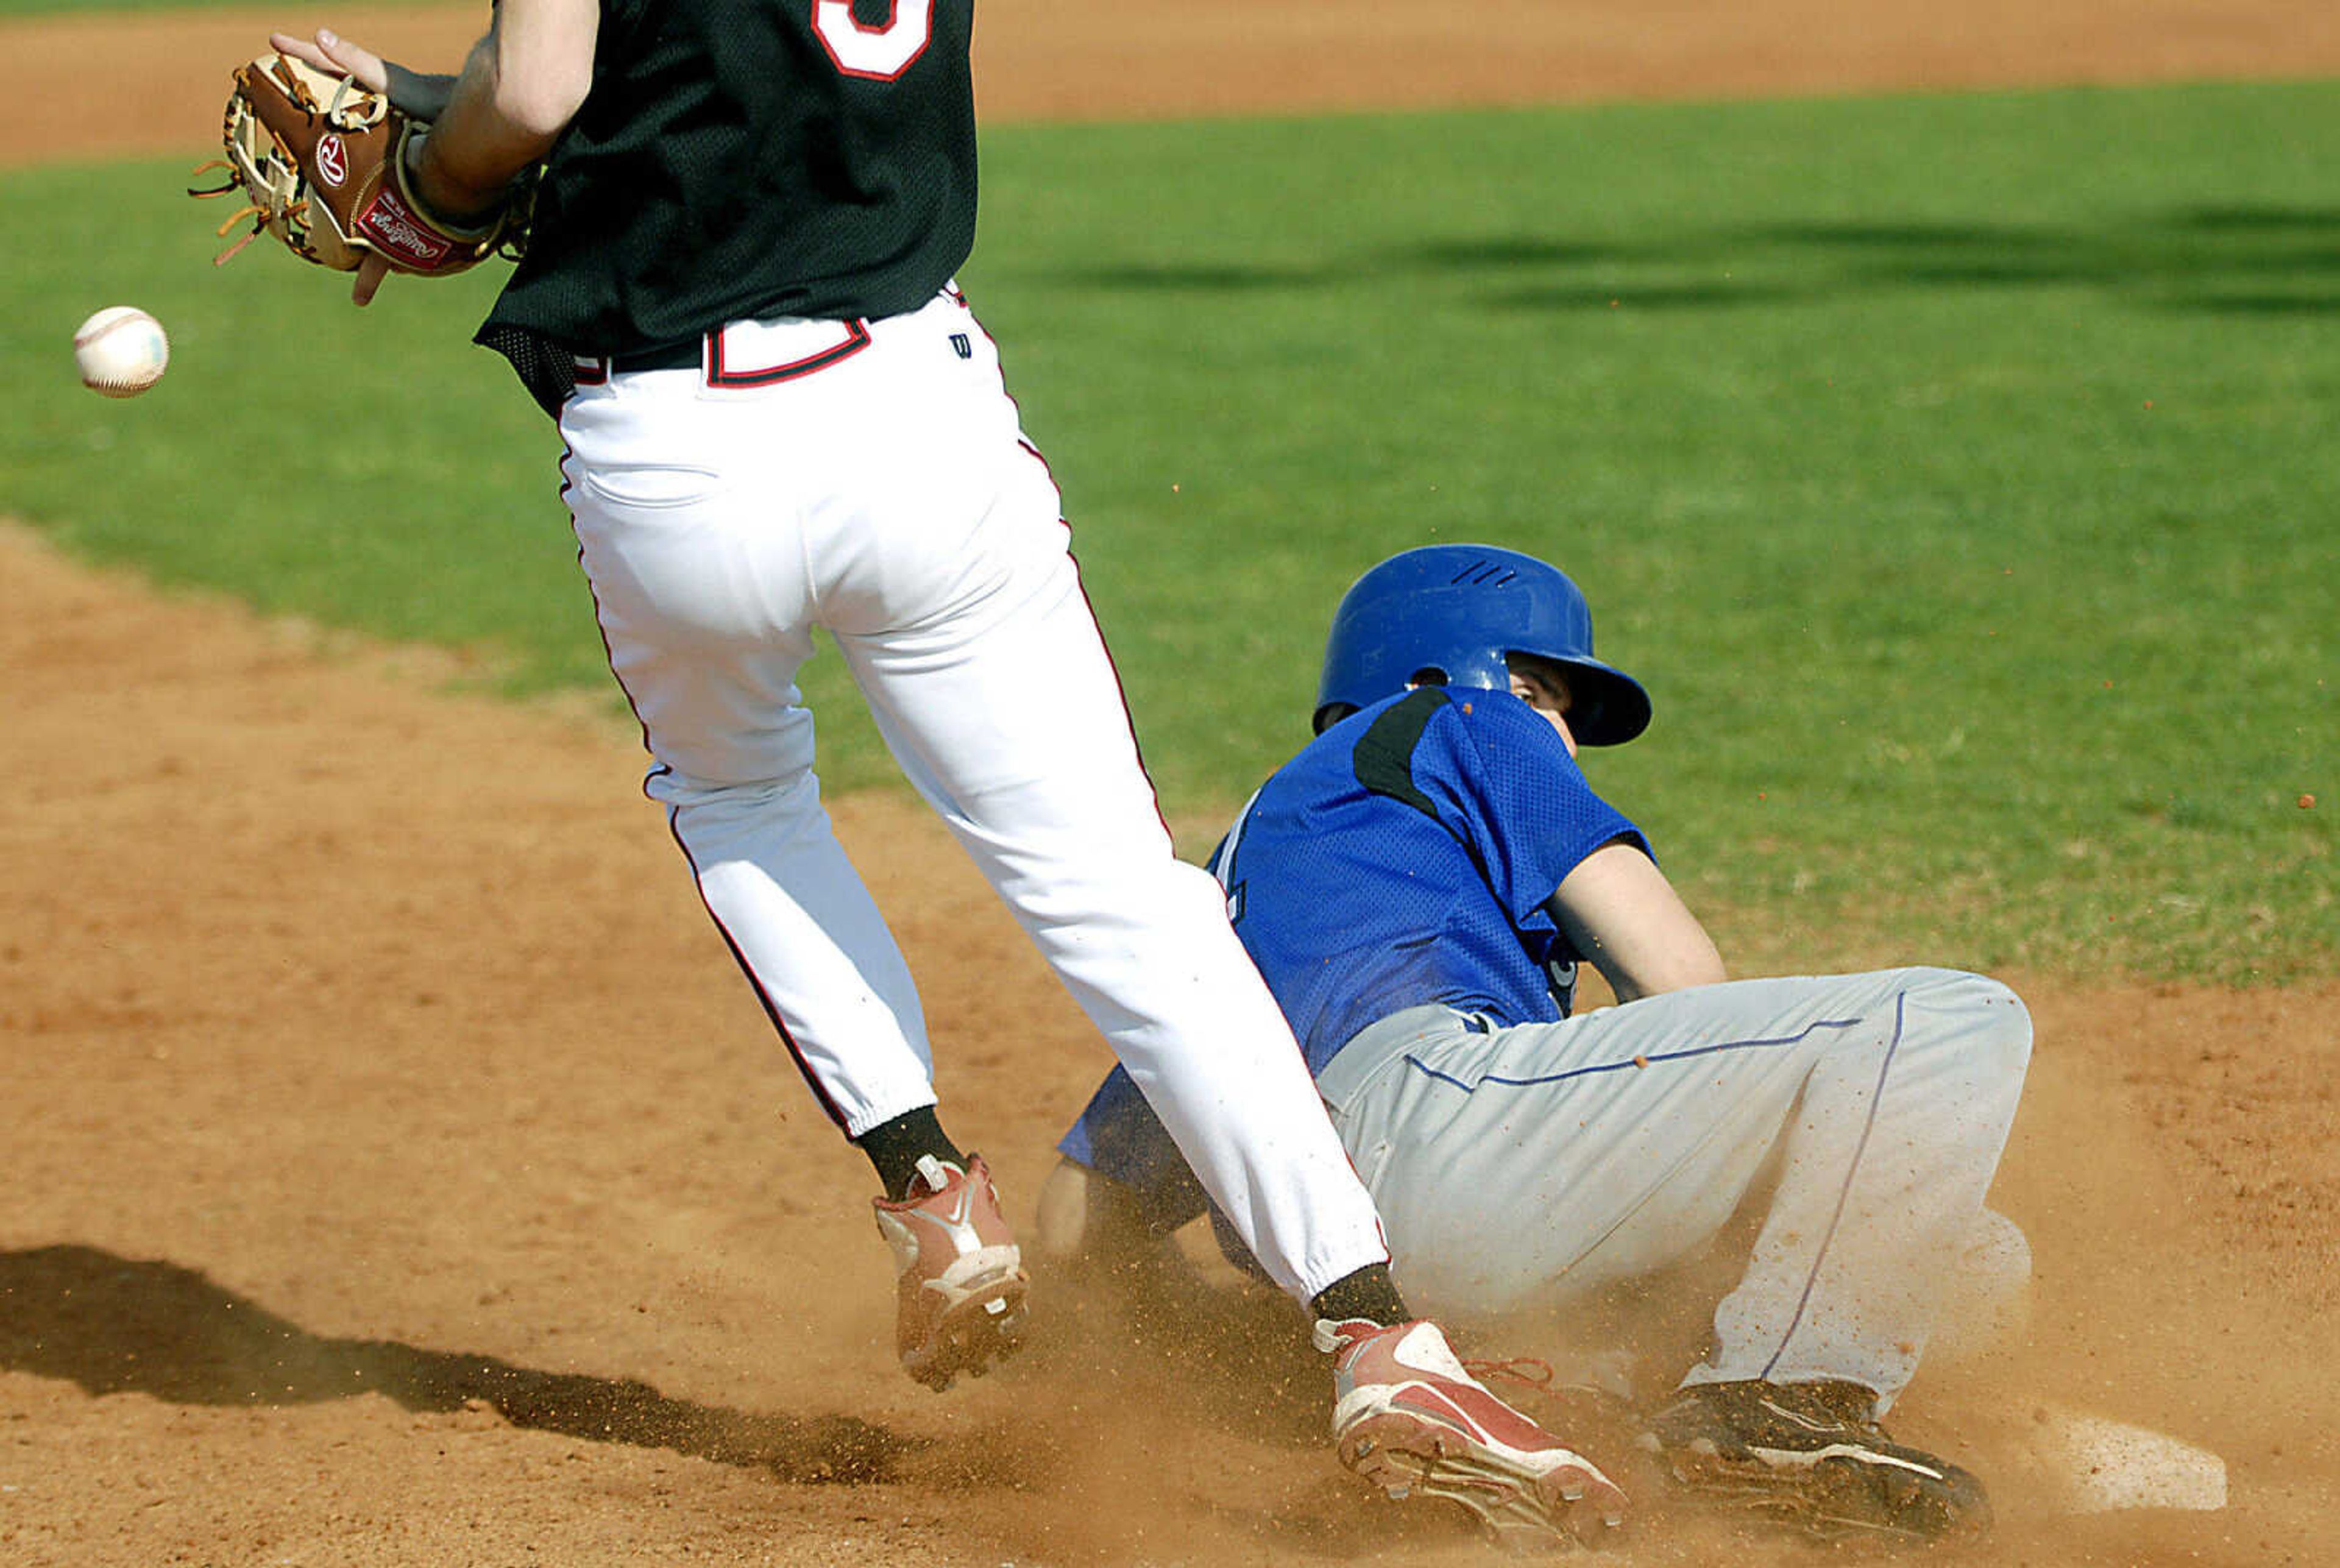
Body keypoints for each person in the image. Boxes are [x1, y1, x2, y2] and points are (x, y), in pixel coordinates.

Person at [256, 7, 1624, 1547]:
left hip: (672, 452)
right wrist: (455, 105)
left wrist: (428, 182)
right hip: (916, 418)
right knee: (1122, 895)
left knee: (742, 798)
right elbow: (754, 72)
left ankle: (928, 1191)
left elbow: (549, 87)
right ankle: (1378, 1337)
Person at [1038, 542, 2035, 1542]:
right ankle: (1779, 1409)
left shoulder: (1248, 882)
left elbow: (1077, 1219)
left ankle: (1635, 1429)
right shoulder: (1450, 721)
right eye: (1538, 690)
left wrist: (1259, 1363)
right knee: (1939, 1017)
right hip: (1445, 1127)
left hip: (1369, 1269)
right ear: (1436, 676)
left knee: (1979, 1258)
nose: (1555, 730)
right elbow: (1676, 975)